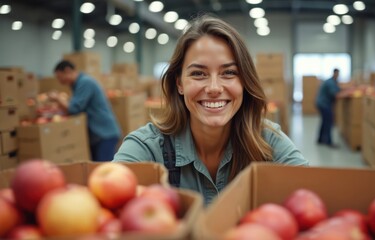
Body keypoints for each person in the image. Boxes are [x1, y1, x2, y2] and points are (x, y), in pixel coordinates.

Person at [113, 15, 308, 205]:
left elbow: (311, 196)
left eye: (229, 73)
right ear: (179, 83)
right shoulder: (147, 148)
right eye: (198, 73)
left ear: (244, 82)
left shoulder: (267, 141)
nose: (214, 88)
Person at [50, 60, 121, 162]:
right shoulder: (77, 84)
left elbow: (74, 109)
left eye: (59, 76)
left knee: (103, 168)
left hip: (104, 134)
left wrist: (58, 99)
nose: (59, 81)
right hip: (98, 134)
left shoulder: (85, 82)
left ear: (67, 70)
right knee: (97, 168)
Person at [316, 68, 341, 148]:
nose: (337, 75)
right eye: (337, 74)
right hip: (324, 104)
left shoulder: (333, 81)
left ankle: (320, 139)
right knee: (328, 122)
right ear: (334, 73)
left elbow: (338, 89)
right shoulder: (330, 82)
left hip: (322, 103)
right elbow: (335, 94)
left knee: (324, 122)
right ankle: (329, 142)